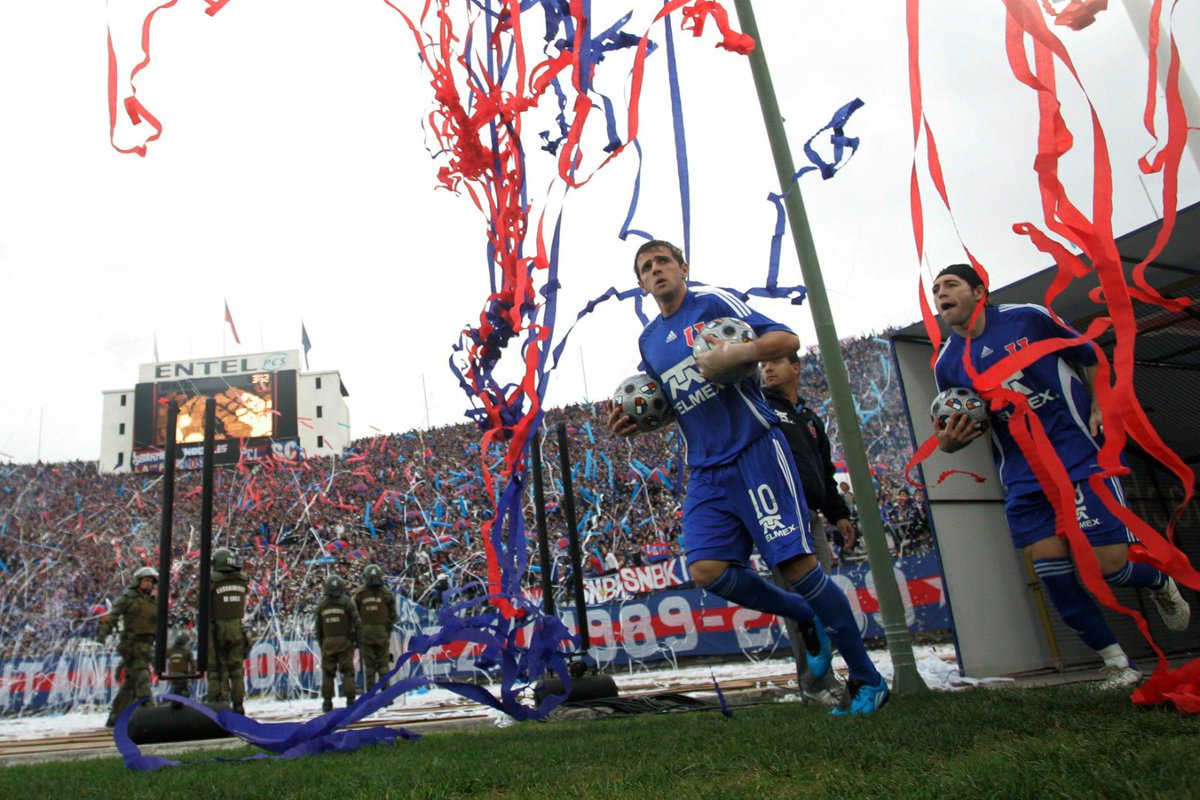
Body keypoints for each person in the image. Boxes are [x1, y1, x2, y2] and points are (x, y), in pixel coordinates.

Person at [607, 240, 888, 715]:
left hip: (756, 450)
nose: (656, 271)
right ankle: (805, 617)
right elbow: (667, 400)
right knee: (707, 570)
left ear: (682, 268)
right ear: (640, 284)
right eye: (646, 268)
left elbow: (786, 341)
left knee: (799, 568)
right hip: (707, 469)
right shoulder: (649, 341)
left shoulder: (713, 302)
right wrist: (637, 420)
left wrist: (742, 354)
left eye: (663, 263)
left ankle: (867, 680)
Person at [932, 263, 1192, 689]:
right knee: (1053, 574)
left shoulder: (1028, 317)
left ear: (980, 290)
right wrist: (949, 444)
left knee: (1111, 567)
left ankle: (1159, 579)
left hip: (1077, 457)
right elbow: (961, 427)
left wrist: (1100, 404)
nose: (941, 294)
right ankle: (1117, 666)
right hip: (1022, 475)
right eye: (936, 289)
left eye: (951, 285)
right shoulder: (946, 364)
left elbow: (1091, 357)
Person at [761, 350, 858, 706]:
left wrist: (838, 513)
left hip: (812, 515)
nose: (766, 368)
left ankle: (824, 681)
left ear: (796, 367)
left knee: (821, 599)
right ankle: (814, 686)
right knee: (802, 604)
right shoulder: (760, 408)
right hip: (781, 515)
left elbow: (825, 470)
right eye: (762, 364)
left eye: (774, 362)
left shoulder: (809, 417)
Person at [96, 566, 158, 728]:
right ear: (138, 581)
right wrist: (103, 634)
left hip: (147, 645)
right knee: (143, 678)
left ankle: (115, 717)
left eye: (151, 581)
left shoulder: (153, 601)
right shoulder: (127, 597)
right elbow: (113, 615)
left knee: (130, 684)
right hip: (132, 644)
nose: (149, 584)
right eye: (146, 580)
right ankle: (149, 714)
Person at [206, 547, 251, 714]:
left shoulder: (212, 581)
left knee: (216, 671)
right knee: (237, 671)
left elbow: (200, 604)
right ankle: (239, 706)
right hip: (237, 628)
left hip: (216, 628)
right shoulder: (242, 580)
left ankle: (218, 706)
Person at [315, 575, 361, 712]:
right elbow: (357, 623)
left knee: (328, 673)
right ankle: (351, 701)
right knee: (347, 672)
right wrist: (357, 641)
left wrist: (322, 644)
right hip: (345, 642)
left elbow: (318, 629)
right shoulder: (347, 603)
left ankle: (327, 703)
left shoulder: (321, 606)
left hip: (328, 642)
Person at [353, 564, 399, 691]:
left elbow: (354, 615)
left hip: (365, 634)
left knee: (369, 667)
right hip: (382, 633)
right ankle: (386, 695)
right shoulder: (386, 593)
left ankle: (370, 696)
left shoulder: (360, 594)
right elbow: (394, 616)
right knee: (383, 665)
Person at [165, 629, 196, 708]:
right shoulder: (187, 651)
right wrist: (192, 675)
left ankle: (174, 703)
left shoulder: (170, 650)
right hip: (183, 675)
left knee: (174, 689)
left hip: (172, 675)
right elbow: (193, 665)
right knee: (184, 692)